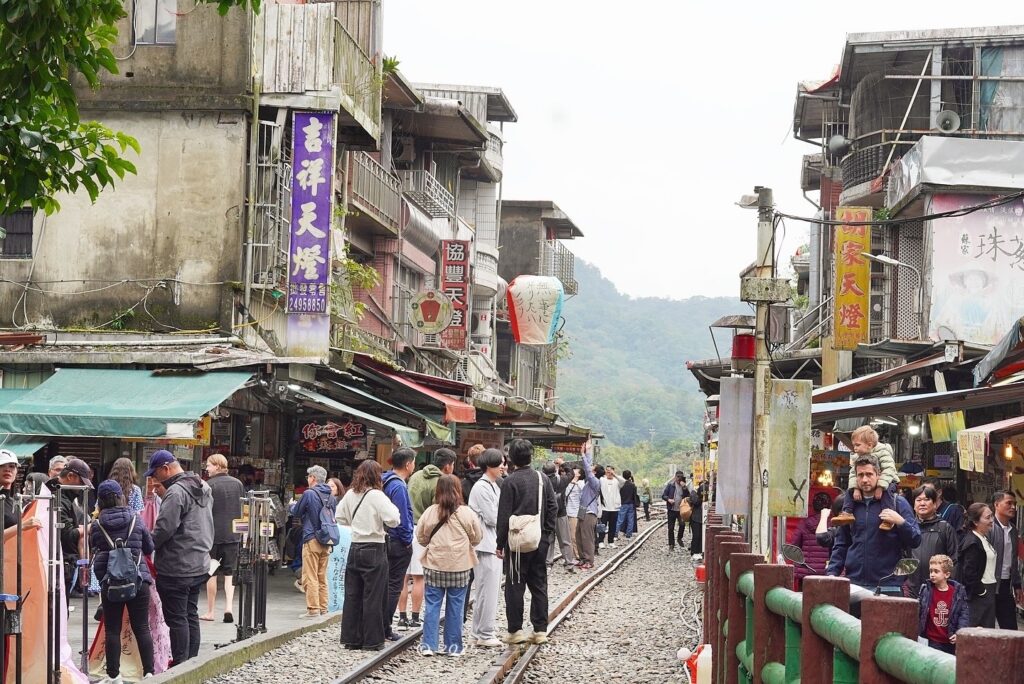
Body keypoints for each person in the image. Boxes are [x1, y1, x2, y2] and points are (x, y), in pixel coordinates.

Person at [146, 450, 214, 667]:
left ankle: (181, 666)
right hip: (199, 562)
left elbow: (164, 529)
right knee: (190, 614)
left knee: (177, 618)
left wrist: (147, 545)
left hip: (176, 565)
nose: (155, 479)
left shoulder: (176, 492)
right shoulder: (203, 485)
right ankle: (192, 662)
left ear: (166, 468)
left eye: (156, 474)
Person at [826, 455, 921, 594]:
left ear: (879, 474)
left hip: (888, 585)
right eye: (861, 475)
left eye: (869, 474)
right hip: (855, 585)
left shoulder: (897, 503)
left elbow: (916, 539)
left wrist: (900, 521)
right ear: (855, 477)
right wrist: (832, 574)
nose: (865, 479)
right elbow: (841, 544)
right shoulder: (850, 507)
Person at [90, 479, 155, 684]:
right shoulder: (136, 519)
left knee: (112, 629)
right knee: (142, 627)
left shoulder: (97, 524)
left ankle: (114, 676)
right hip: (138, 579)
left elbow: (94, 547)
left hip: (111, 582)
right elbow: (149, 547)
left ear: (100, 500)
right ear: (120, 497)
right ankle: (149, 674)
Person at [496, 439, 558, 645]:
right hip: (539, 541)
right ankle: (540, 630)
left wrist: (499, 542)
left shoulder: (509, 482)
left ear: (511, 459)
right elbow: (553, 507)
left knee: (515, 586)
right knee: (539, 584)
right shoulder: (542, 479)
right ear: (531, 457)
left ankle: (515, 631)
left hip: (516, 545)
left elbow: (503, 516)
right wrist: (546, 533)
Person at [337, 460, 400, 651]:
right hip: (374, 546)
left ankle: (351, 639)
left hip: (355, 546)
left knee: (353, 594)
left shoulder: (350, 494)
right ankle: (372, 641)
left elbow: (339, 517)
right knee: (373, 596)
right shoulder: (376, 496)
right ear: (377, 476)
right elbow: (395, 519)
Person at [417, 475, 482, 657]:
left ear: (438, 490)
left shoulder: (430, 511)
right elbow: (477, 537)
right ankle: (453, 647)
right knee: (455, 607)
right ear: (457, 490)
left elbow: (421, 537)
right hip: (460, 567)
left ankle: (429, 645)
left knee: (432, 606)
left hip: (434, 565)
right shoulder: (466, 513)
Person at [400, 448, 455, 629]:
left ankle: (401, 617)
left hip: (406, 528)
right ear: (447, 466)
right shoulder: (441, 482)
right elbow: (437, 511)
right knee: (419, 577)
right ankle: (415, 617)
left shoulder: (415, 476)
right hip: (423, 532)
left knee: (403, 576)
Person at [201, 454, 244, 624]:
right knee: (229, 573)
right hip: (233, 534)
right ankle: (228, 608)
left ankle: (211, 611)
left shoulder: (208, 485)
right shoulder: (238, 484)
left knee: (211, 573)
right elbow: (243, 509)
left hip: (212, 536)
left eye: (209, 465)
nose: (206, 468)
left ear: (218, 466)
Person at [468, 448, 504, 647]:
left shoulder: (493, 486)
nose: (503, 467)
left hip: (491, 542)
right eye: (500, 463)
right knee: (487, 590)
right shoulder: (482, 487)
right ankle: (485, 633)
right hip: (486, 544)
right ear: (490, 465)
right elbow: (492, 517)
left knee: (486, 590)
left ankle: (479, 631)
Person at [289, 465, 336, 618]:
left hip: (311, 538)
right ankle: (323, 608)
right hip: (327, 539)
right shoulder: (331, 496)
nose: (307, 479)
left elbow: (297, 512)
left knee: (310, 575)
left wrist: (291, 505)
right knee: (322, 576)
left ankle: (313, 609)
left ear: (313, 478)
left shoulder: (309, 494)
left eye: (308, 477)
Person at [832, 426, 900, 528]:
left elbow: (889, 470)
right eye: (854, 445)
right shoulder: (857, 457)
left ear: (869, 445)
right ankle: (847, 512)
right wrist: (855, 488)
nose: (855, 448)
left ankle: (888, 518)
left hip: (888, 481)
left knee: (887, 493)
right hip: (869, 483)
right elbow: (853, 474)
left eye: (858, 445)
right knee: (849, 491)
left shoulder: (883, 452)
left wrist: (880, 487)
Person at [46, 457, 93, 603]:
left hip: (62, 562)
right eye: (81, 481)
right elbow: (67, 535)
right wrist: (90, 527)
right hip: (59, 563)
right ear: (71, 476)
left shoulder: (60, 495)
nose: (82, 487)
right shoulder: (59, 498)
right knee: (57, 611)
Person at [381, 448, 415, 639]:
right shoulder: (399, 486)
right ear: (408, 464)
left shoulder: (384, 480)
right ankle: (386, 627)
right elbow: (402, 517)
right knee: (394, 586)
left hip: (384, 539)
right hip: (397, 541)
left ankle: (380, 624)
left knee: (384, 584)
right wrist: (408, 540)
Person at [906, 485, 959, 599]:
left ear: (935, 504)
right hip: (911, 590)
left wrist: (947, 586)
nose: (922, 503)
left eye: (927, 499)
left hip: (938, 589)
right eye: (918, 500)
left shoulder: (945, 528)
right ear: (914, 505)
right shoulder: (908, 528)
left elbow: (954, 560)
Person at [957, 503, 997, 628]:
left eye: (991, 516)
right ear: (975, 521)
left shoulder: (982, 538)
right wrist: (982, 591)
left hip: (988, 590)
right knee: (978, 633)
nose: (991, 520)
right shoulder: (973, 542)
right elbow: (969, 573)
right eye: (987, 517)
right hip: (979, 594)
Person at [918, 554, 968, 655]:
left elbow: (963, 614)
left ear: (947, 574)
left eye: (936, 571)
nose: (932, 574)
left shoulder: (957, 592)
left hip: (950, 639)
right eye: (931, 571)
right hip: (932, 640)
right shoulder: (926, 590)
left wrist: (960, 632)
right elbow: (918, 610)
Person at [988, 491, 1021, 630]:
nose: (1013, 507)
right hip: (989, 584)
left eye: (1014, 504)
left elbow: (1013, 559)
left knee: (1010, 628)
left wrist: (1017, 584)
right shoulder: (989, 528)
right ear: (996, 504)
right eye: (1009, 503)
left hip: (1006, 585)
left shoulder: (1013, 530)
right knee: (986, 628)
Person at [788, 497, 832, 588]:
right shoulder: (834, 524)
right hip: (827, 573)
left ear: (813, 507)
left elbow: (793, 546)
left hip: (806, 573)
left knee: (803, 600)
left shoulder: (804, 523)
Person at [1, 449, 43, 540]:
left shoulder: (18, 503)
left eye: (12, 466)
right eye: (1, 466)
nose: (7, 469)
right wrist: (22, 526)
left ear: (16, 471)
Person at [326, 477, 352, 613]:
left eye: (333, 486)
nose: (330, 489)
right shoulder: (325, 500)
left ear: (338, 488)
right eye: (328, 486)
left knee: (338, 568)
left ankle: (336, 601)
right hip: (333, 537)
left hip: (341, 537)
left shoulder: (341, 501)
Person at [575, 447, 602, 570]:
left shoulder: (594, 482)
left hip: (589, 513)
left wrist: (583, 455)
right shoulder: (591, 481)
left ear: (595, 472)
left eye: (593, 468)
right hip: (583, 511)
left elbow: (587, 468)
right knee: (579, 535)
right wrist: (588, 451)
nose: (590, 468)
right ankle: (582, 558)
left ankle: (589, 560)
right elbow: (589, 466)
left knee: (587, 537)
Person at [662, 471, 689, 552]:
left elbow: (688, 496)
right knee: (671, 528)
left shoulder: (684, 486)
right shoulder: (670, 485)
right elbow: (663, 495)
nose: (679, 478)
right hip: (672, 509)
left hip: (681, 510)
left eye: (680, 477)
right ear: (675, 477)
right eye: (677, 476)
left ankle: (679, 538)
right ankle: (671, 544)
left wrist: (684, 487)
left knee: (682, 524)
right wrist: (668, 499)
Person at [599, 465, 624, 548]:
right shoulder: (602, 480)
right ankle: (601, 541)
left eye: (610, 471)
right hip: (604, 507)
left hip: (614, 507)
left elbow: (623, 481)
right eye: (607, 471)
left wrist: (615, 475)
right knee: (602, 525)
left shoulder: (617, 481)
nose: (609, 473)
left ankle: (611, 542)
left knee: (613, 526)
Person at [564, 466, 583, 562]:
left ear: (579, 474)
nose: (573, 470)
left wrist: (574, 483)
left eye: (575, 470)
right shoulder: (568, 483)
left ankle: (577, 556)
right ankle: (570, 556)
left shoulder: (581, 483)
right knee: (568, 536)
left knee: (573, 536)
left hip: (575, 513)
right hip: (567, 512)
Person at [617, 470, 639, 540]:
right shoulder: (632, 485)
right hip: (631, 504)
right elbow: (634, 495)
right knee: (630, 520)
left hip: (623, 503)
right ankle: (628, 535)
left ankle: (615, 534)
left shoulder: (621, 484)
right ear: (630, 476)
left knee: (620, 519)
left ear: (623, 476)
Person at [688, 481, 704, 558]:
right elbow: (696, 502)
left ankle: (700, 551)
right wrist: (701, 496)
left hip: (703, 518)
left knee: (702, 536)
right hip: (695, 518)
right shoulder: (694, 493)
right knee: (696, 535)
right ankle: (694, 551)